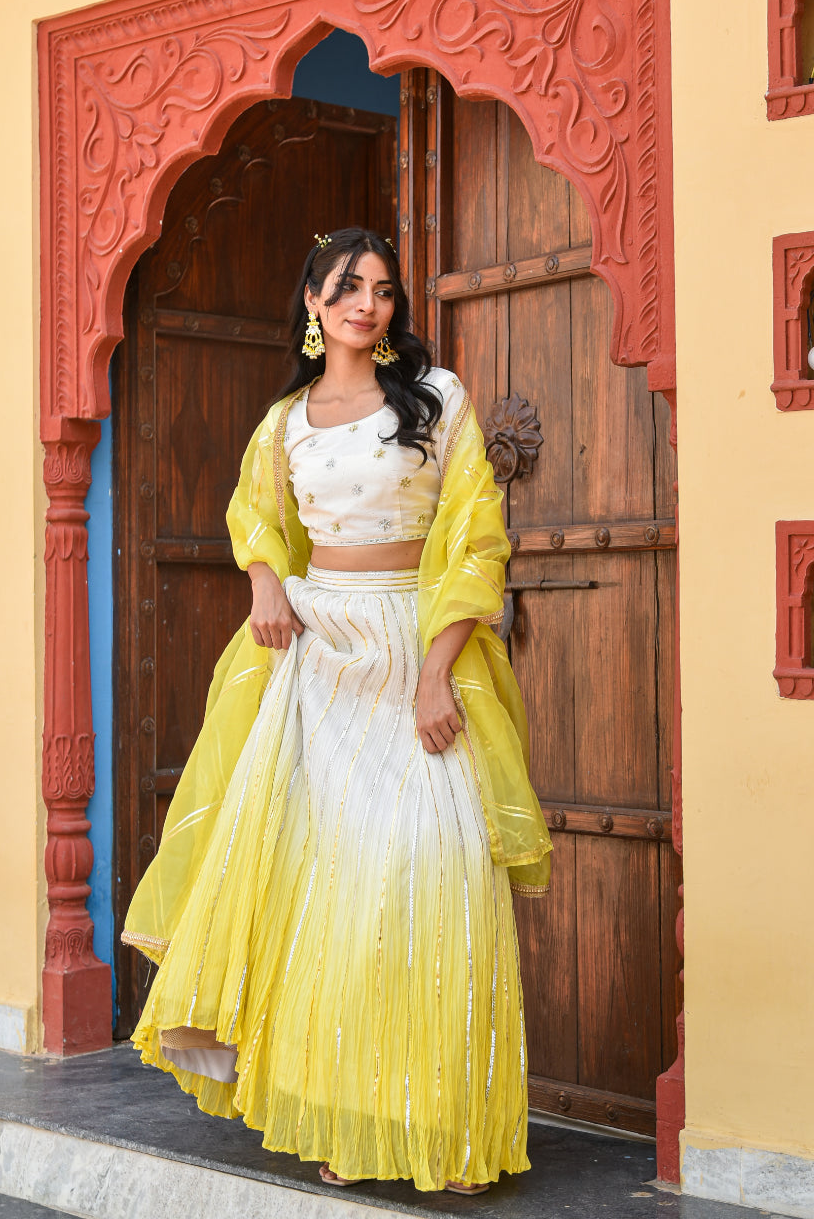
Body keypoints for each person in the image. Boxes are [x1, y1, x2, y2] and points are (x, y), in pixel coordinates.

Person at [122, 227, 552, 1195]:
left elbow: (477, 540)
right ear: (313, 301)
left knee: (437, 875)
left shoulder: (437, 401)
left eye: (384, 291)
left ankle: (448, 1136)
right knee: (329, 892)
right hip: (317, 657)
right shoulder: (284, 423)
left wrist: (437, 671)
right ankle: (342, 1115)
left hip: (412, 644)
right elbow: (252, 515)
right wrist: (266, 582)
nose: (369, 303)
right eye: (349, 288)